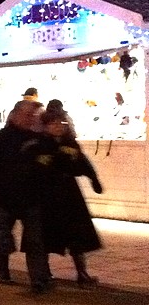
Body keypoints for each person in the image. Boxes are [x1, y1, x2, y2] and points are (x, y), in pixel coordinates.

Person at [0, 100, 49, 291]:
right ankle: (2, 272)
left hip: (30, 196)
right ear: (16, 114)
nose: (31, 119)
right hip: (5, 196)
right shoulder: (2, 138)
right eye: (28, 115)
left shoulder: (37, 138)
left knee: (35, 239)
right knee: (1, 236)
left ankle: (38, 278)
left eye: (34, 116)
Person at [34, 108, 104, 287]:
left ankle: (82, 273)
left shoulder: (70, 143)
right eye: (54, 123)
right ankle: (45, 273)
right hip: (48, 196)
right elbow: (40, 168)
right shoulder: (40, 144)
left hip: (69, 194)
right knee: (49, 236)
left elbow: (83, 162)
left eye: (61, 123)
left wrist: (93, 179)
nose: (58, 126)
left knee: (77, 235)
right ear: (46, 126)